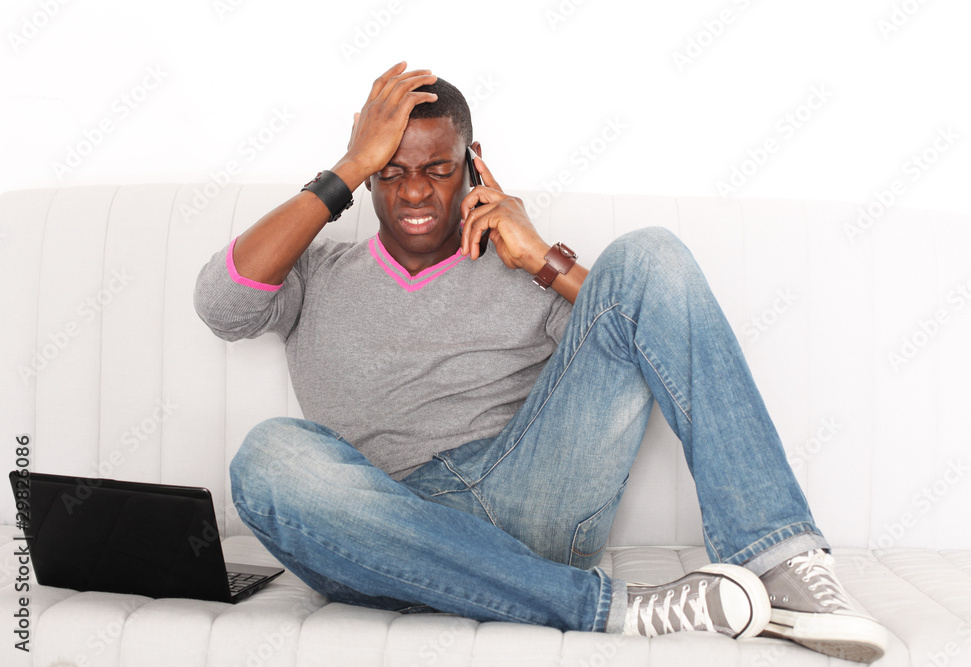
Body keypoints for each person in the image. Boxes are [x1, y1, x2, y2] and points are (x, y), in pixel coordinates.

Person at [193, 62, 889, 662]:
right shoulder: (316, 273)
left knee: (651, 252)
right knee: (268, 456)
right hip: (380, 531)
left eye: (438, 170)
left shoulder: (518, 266)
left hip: (527, 501)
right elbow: (221, 305)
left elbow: (640, 315)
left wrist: (541, 260)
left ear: (473, 163)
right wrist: (347, 166)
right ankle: (613, 608)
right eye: (391, 171)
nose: (414, 192)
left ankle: (783, 564)